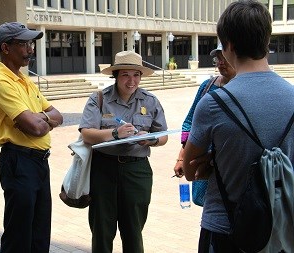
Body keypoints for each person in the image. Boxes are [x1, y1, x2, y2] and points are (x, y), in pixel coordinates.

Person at [182, 1, 294, 252]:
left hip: (225, 229)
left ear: (229, 45)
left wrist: (213, 161)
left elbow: (190, 172)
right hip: (282, 230)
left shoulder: (213, 102)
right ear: (267, 41)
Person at [0, 22, 63, 253]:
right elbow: (35, 128)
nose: (30, 49)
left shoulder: (23, 79)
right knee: (19, 235)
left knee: (39, 234)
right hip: (19, 160)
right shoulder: (0, 81)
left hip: (38, 162)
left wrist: (42, 119)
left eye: (31, 43)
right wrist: (43, 119)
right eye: (24, 43)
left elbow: (57, 114)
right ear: (6, 48)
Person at [79, 50, 168, 253]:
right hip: (104, 170)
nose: (131, 81)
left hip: (137, 171)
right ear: (116, 75)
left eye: (136, 75)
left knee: (134, 231)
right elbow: (86, 133)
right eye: (126, 75)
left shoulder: (150, 101)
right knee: (102, 230)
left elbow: (163, 135)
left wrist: (151, 139)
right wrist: (114, 133)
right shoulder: (99, 99)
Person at [173, 44, 236, 183]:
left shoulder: (244, 89)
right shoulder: (207, 86)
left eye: (224, 58)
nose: (221, 63)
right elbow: (190, 122)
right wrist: (182, 157)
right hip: (201, 161)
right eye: (218, 59)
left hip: (231, 163)